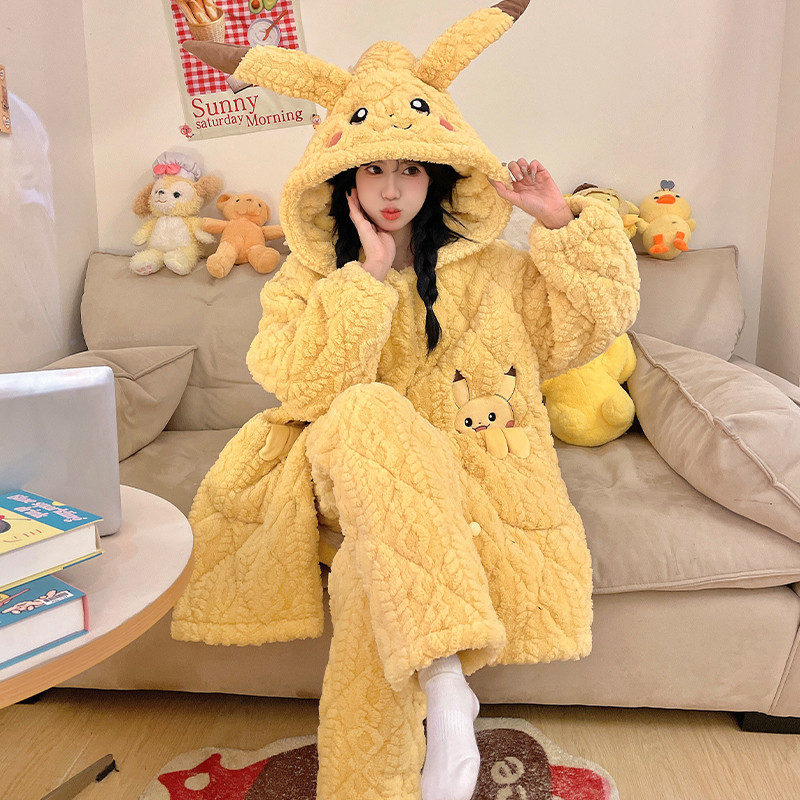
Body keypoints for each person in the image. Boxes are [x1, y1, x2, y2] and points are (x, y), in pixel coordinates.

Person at [172, 4, 640, 800]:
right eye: (373, 170)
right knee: (364, 409)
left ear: (440, 173)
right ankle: (451, 685)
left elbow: (590, 327)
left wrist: (562, 223)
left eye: (411, 170)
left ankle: (407, 749)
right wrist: (367, 278)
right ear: (343, 177)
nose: (391, 189)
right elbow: (306, 388)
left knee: (370, 572)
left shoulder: (498, 273)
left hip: (449, 481)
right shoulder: (309, 276)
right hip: (335, 467)